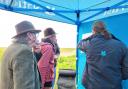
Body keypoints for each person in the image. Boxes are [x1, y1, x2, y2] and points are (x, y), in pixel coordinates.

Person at [77, 21, 128, 89]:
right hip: (114, 85)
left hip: (92, 85)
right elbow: (126, 69)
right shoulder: (121, 45)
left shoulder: (89, 44)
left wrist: (92, 36)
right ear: (105, 29)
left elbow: (79, 44)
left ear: (93, 30)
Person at [0, 21, 41, 89]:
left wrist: (36, 53)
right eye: (35, 34)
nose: (36, 38)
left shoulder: (10, 48)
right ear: (30, 35)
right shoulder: (24, 52)